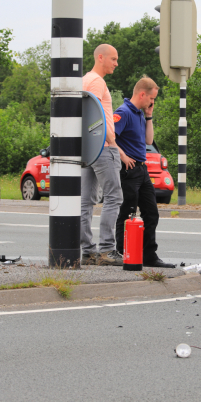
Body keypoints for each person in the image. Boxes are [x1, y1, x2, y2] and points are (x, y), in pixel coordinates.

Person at [114, 76, 176, 269]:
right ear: (142, 94)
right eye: (151, 98)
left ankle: (149, 255)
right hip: (128, 169)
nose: (152, 102)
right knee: (128, 212)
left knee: (151, 213)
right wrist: (123, 156)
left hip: (142, 169)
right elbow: (109, 138)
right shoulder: (123, 112)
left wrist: (149, 116)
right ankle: (123, 252)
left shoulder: (140, 114)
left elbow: (149, 141)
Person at [80, 44, 124, 266]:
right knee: (114, 197)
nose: (116, 63)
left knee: (86, 201)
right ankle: (107, 250)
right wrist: (111, 141)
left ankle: (87, 251)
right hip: (103, 147)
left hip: (87, 148)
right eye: (113, 59)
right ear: (100, 57)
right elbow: (94, 115)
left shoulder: (84, 80)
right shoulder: (97, 81)